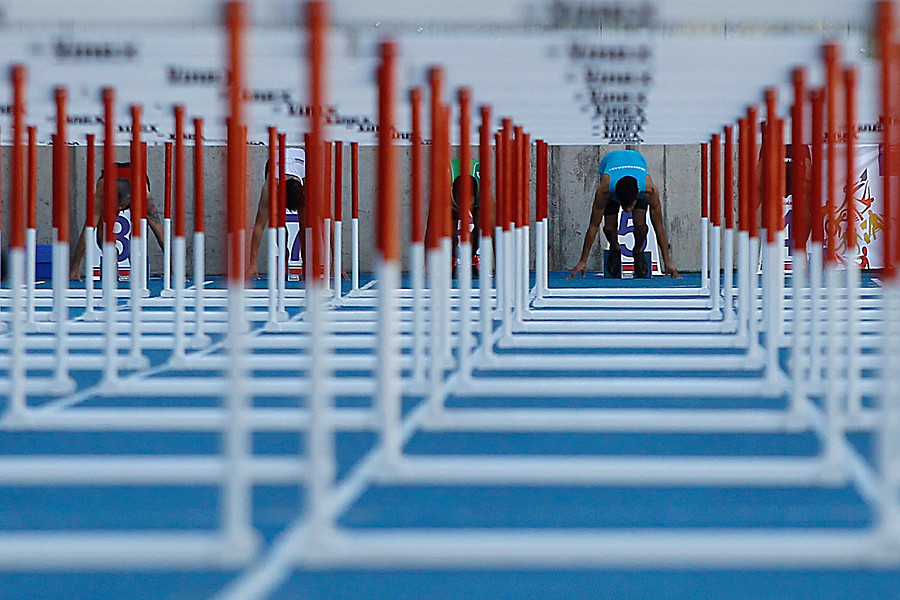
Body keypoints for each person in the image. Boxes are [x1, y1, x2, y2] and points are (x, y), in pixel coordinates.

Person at [568, 149, 679, 279]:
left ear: (638, 195)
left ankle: (637, 250)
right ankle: (615, 248)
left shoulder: (650, 191)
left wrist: (667, 261)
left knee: (641, 225)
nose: (627, 211)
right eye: (623, 205)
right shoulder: (605, 190)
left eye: (630, 206)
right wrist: (583, 261)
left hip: (636, 161)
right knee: (609, 227)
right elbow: (594, 226)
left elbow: (658, 226)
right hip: (610, 164)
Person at [69, 162, 164, 279]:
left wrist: (174, 269)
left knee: (140, 236)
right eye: (117, 206)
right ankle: (111, 255)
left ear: (129, 200)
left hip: (135, 179)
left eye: (122, 206)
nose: (119, 210)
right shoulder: (102, 190)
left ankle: (136, 258)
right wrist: (75, 267)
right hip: (110, 181)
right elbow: (88, 230)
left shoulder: (142, 193)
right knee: (102, 238)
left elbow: (160, 232)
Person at [248, 146, 305, 279]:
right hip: (275, 164)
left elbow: (327, 220)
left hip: (300, 162)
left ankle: (305, 262)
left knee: (305, 224)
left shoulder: (308, 181)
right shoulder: (270, 185)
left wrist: (335, 262)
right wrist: (252, 263)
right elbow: (259, 226)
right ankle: (284, 252)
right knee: (276, 219)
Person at [450, 158, 481, 276]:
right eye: (461, 201)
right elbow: (430, 227)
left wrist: (500, 267)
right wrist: (426, 264)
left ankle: (474, 257)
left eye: (468, 202)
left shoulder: (483, 196)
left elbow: (494, 232)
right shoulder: (442, 193)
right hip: (450, 199)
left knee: (483, 223)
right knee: (447, 226)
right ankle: (452, 259)